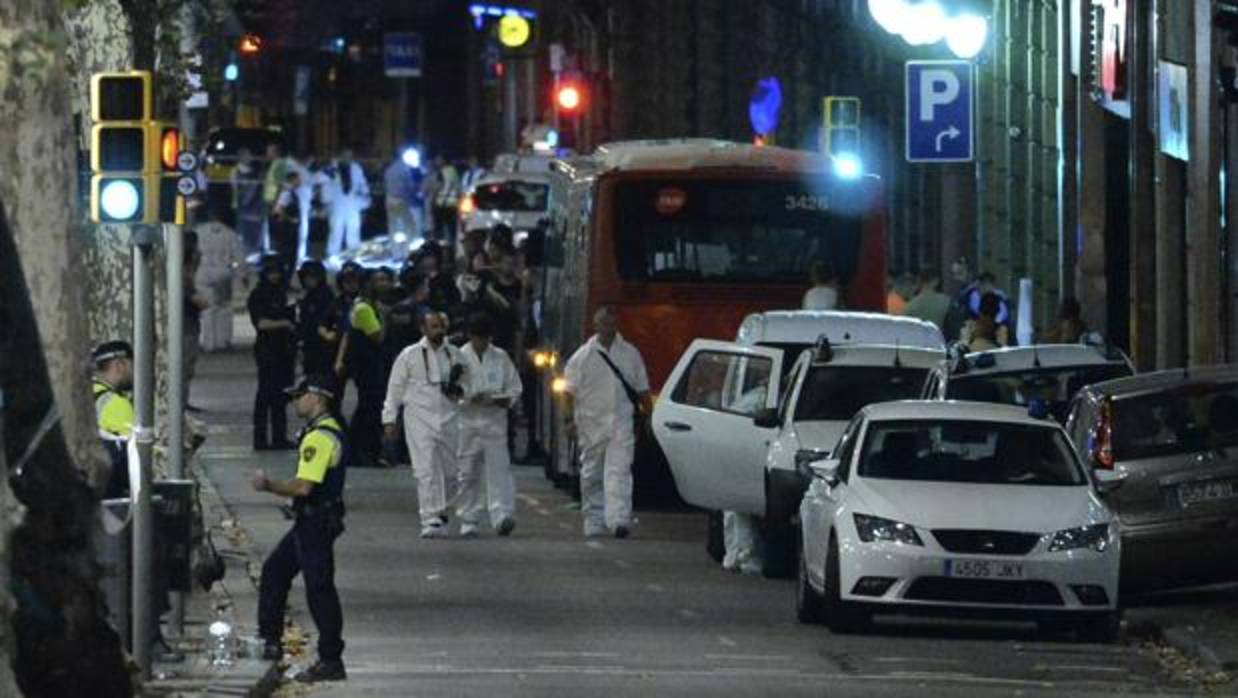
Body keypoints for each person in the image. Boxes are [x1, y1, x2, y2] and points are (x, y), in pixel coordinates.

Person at [252, 375, 348, 683]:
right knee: (275, 572)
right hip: (313, 519)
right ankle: (269, 643)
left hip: (315, 522)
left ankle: (331, 659)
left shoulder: (320, 437)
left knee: (319, 588)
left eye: (299, 396)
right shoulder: (325, 430)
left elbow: (304, 486)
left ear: (317, 397)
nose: (294, 402)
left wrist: (268, 485)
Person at [562, 307, 651, 538]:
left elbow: (642, 389)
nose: (608, 328)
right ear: (596, 325)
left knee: (619, 470)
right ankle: (593, 519)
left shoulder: (630, 354)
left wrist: (649, 417)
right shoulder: (583, 356)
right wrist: (568, 420)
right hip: (591, 423)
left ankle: (619, 519)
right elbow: (568, 392)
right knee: (591, 474)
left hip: (621, 422)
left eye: (611, 323)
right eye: (604, 323)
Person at [382, 311, 465, 538]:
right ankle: (429, 518)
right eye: (434, 326)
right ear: (423, 329)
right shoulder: (409, 355)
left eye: (441, 326)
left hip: (449, 418)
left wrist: (459, 390)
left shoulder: (455, 355)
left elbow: (467, 386)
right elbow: (395, 388)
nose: (439, 330)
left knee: (451, 472)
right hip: (418, 418)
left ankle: (441, 511)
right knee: (425, 469)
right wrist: (389, 419)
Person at [456, 312, 522, 537]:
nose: (483, 342)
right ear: (470, 336)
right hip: (467, 423)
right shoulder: (459, 357)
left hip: (494, 422)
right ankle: (469, 519)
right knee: (468, 472)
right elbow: (450, 392)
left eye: (486, 338)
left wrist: (503, 400)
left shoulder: (500, 357)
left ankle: (502, 515)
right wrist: (468, 399)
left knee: (499, 469)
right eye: (478, 337)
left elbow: (515, 388)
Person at [248, 255, 297, 450]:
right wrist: (284, 323)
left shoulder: (283, 294)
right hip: (267, 350)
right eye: (271, 273)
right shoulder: (259, 295)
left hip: (284, 350)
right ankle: (260, 438)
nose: (275, 276)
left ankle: (279, 436)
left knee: (281, 395)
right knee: (265, 394)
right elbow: (261, 323)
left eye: (277, 272)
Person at [345, 268, 392, 468]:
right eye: (377, 281)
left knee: (368, 407)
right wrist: (384, 316)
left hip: (368, 365)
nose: (381, 284)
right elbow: (377, 336)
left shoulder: (366, 306)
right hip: (367, 366)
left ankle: (362, 451)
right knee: (369, 409)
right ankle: (361, 451)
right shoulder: (364, 308)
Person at [195, 211, 245, 353]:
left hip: (202, 272)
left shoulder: (199, 232)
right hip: (223, 272)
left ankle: (209, 343)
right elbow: (240, 257)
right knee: (224, 307)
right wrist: (241, 276)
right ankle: (223, 341)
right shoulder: (230, 234)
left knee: (207, 308)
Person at [92, 340, 135, 499]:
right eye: (132, 366)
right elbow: (133, 462)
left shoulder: (81, 393)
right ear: (119, 365)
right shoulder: (116, 404)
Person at [321, 147, 371, 257]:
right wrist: (325, 202)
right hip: (337, 203)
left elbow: (362, 183)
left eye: (350, 156)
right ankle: (332, 253)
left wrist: (365, 196)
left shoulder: (356, 168)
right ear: (340, 155)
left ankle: (353, 253)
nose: (348, 158)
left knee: (353, 228)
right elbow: (325, 185)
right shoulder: (331, 168)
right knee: (336, 229)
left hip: (353, 202)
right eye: (345, 155)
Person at [297, 260, 336, 376]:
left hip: (322, 346)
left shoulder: (325, 296)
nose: (308, 280)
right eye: (306, 277)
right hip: (309, 345)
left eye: (312, 277)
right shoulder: (308, 295)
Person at [231, 147, 266, 253]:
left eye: (250, 155)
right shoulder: (236, 171)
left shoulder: (255, 171)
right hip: (244, 206)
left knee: (255, 232)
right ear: (241, 157)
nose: (250, 157)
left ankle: (254, 251)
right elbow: (236, 188)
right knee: (244, 231)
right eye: (247, 155)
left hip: (255, 207)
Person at [270, 171, 304, 278]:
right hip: (288, 231)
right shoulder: (286, 193)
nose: (300, 182)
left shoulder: (288, 192)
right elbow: (277, 210)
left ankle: (285, 279)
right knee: (288, 258)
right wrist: (291, 219)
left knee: (289, 258)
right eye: (298, 179)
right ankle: (284, 280)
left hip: (289, 230)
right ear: (292, 180)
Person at [383, 149, 416, 238]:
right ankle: (408, 242)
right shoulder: (404, 169)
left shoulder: (388, 170)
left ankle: (394, 244)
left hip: (390, 200)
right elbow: (410, 185)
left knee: (393, 224)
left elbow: (385, 185)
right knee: (408, 223)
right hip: (402, 200)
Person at [429, 155, 461, 245]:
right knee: (452, 229)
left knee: (440, 231)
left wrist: (432, 201)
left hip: (442, 204)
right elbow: (457, 187)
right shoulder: (453, 171)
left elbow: (438, 188)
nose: (436, 162)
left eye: (438, 160)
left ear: (443, 160)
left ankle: (441, 247)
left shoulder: (442, 172)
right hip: (452, 204)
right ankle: (453, 246)